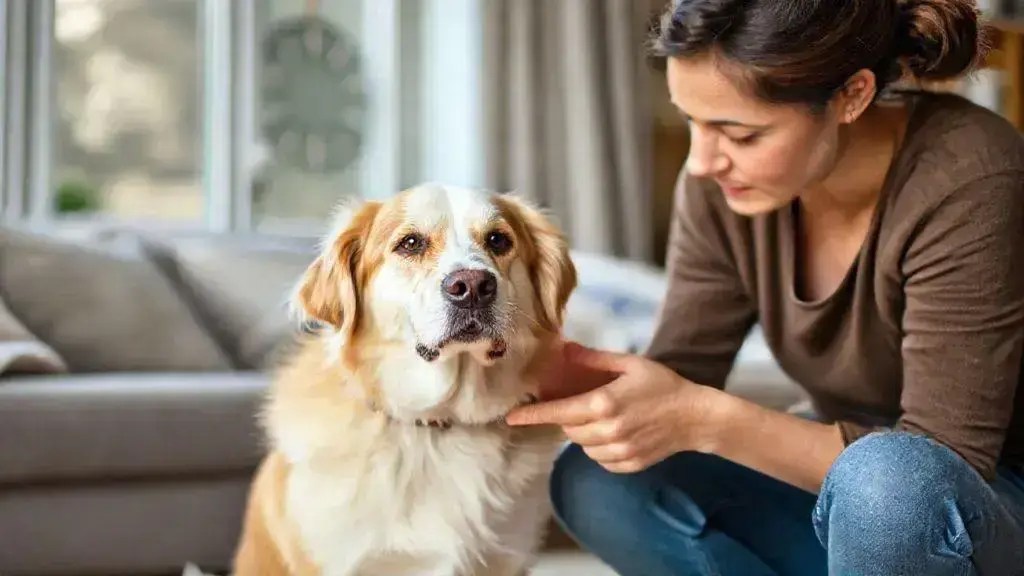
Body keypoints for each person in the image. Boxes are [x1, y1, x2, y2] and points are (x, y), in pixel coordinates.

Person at [504, 0, 1024, 574]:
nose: (701, 161)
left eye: (740, 134)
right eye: (692, 121)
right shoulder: (722, 189)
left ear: (852, 95)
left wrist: (709, 420)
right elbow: (679, 379)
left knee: (887, 488)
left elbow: (944, 464)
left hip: (973, 506)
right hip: (844, 491)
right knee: (598, 477)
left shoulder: (970, 177)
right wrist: (520, 363)